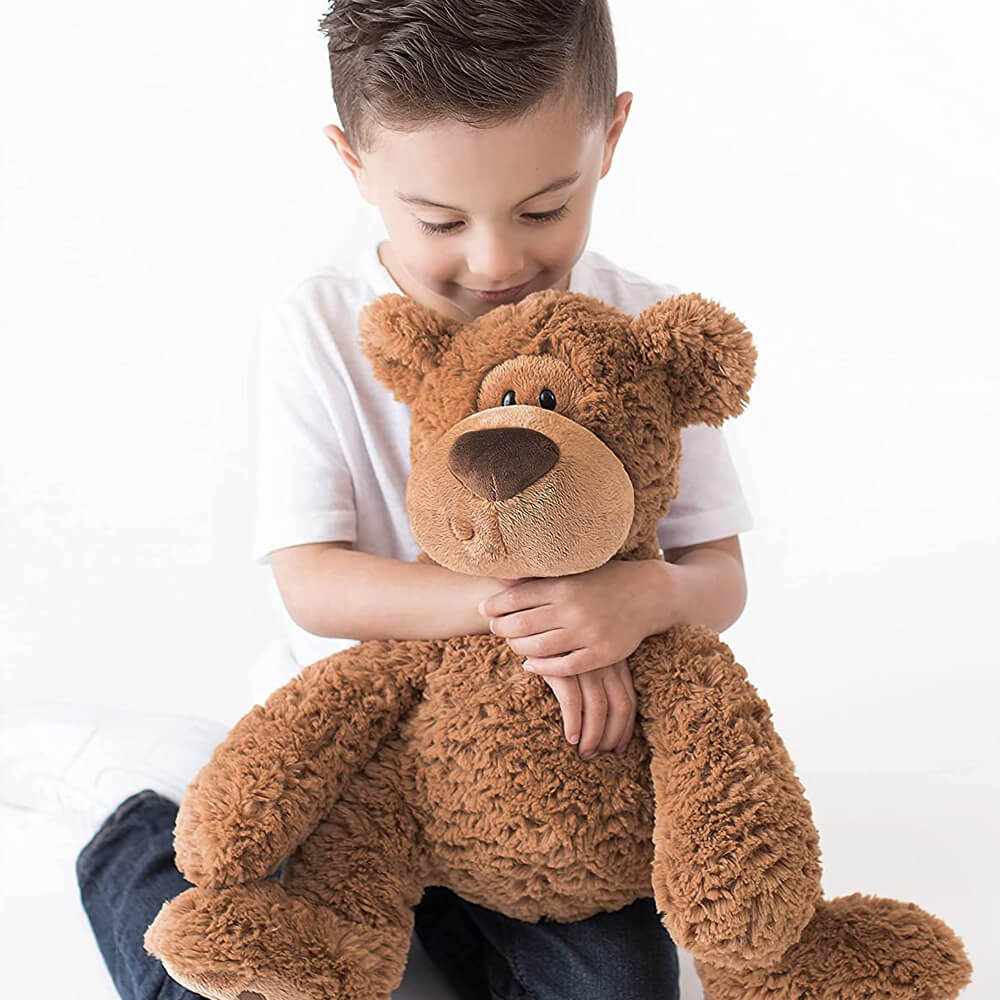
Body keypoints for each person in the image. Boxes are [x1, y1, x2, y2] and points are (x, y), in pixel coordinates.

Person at [0, 2, 754, 998]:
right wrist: (511, 613)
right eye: (440, 221)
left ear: (608, 138)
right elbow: (311, 581)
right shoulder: (320, 325)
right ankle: (131, 821)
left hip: (562, 795)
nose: (495, 263)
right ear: (353, 162)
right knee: (257, 975)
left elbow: (718, 576)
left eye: (543, 210)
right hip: (354, 774)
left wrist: (637, 600)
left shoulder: (634, 329)